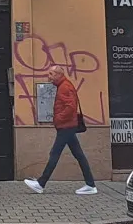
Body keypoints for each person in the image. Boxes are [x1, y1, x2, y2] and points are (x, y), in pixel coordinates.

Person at [24, 65, 97, 195]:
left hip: (66, 126)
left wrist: (58, 118)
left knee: (55, 153)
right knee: (79, 155)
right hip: (67, 125)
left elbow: (71, 107)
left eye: (51, 74)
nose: (49, 77)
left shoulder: (64, 87)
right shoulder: (63, 86)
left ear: (59, 75)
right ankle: (90, 185)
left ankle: (41, 184)